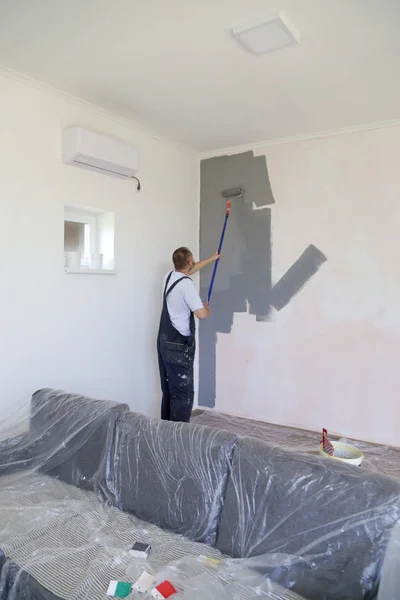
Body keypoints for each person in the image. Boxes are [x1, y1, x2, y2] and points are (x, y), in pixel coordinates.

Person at [157, 247, 221, 422]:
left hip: (164, 341)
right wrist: (206, 309)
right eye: (193, 260)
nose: (193, 263)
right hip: (178, 346)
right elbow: (201, 314)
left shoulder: (169, 277)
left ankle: (165, 432)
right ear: (189, 262)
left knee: (170, 390)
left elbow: (190, 269)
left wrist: (211, 259)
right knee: (183, 393)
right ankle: (178, 436)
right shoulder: (187, 285)